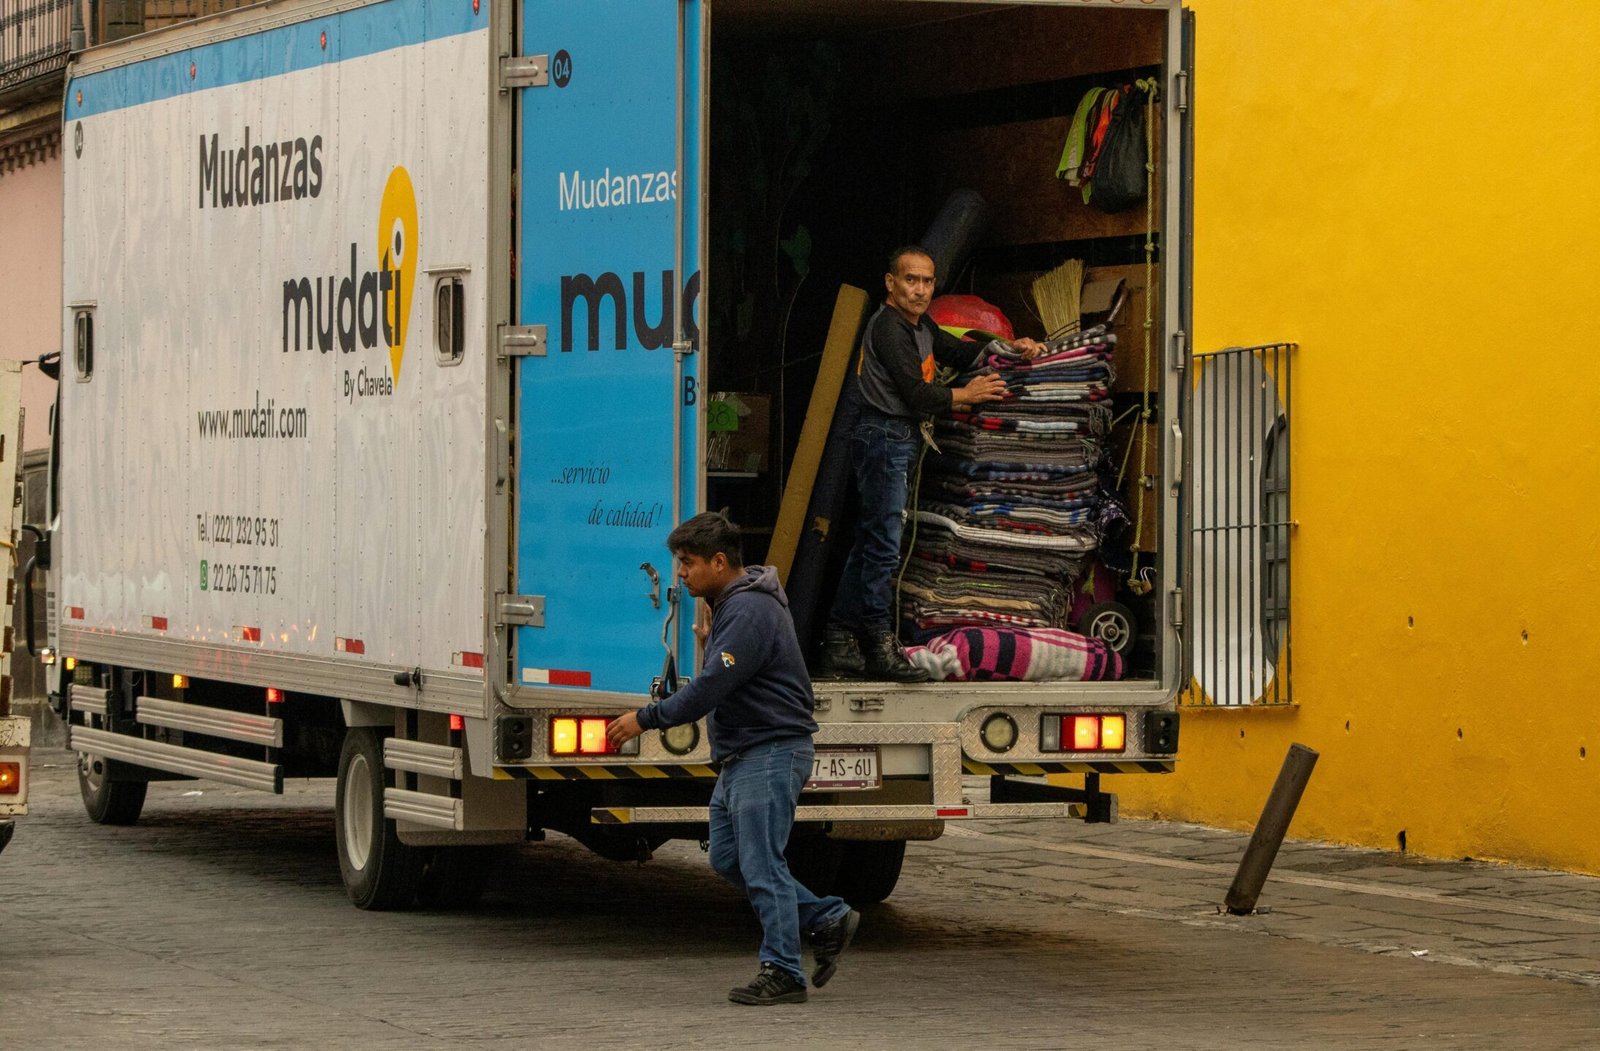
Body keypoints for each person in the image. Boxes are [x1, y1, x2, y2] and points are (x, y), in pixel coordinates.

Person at [607, 512, 859, 1006]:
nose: (681, 573)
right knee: (728, 858)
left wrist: (646, 718)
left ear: (719, 562)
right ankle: (826, 917)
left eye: (688, 563)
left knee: (762, 865)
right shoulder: (733, 605)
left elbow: (708, 690)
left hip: (768, 751)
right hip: (743, 755)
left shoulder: (748, 610)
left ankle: (783, 970)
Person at [818, 246, 1045, 681]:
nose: (920, 290)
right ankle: (878, 645)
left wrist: (1010, 348)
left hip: (894, 438)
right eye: (911, 280)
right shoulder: (889, 328)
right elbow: (917, 394)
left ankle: (839, 641)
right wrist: (966, 394)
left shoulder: (920, 326)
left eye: (927, 281)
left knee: (870, 541)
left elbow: (957, 352)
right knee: (883, 546)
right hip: (884, 437)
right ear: (891, 283)